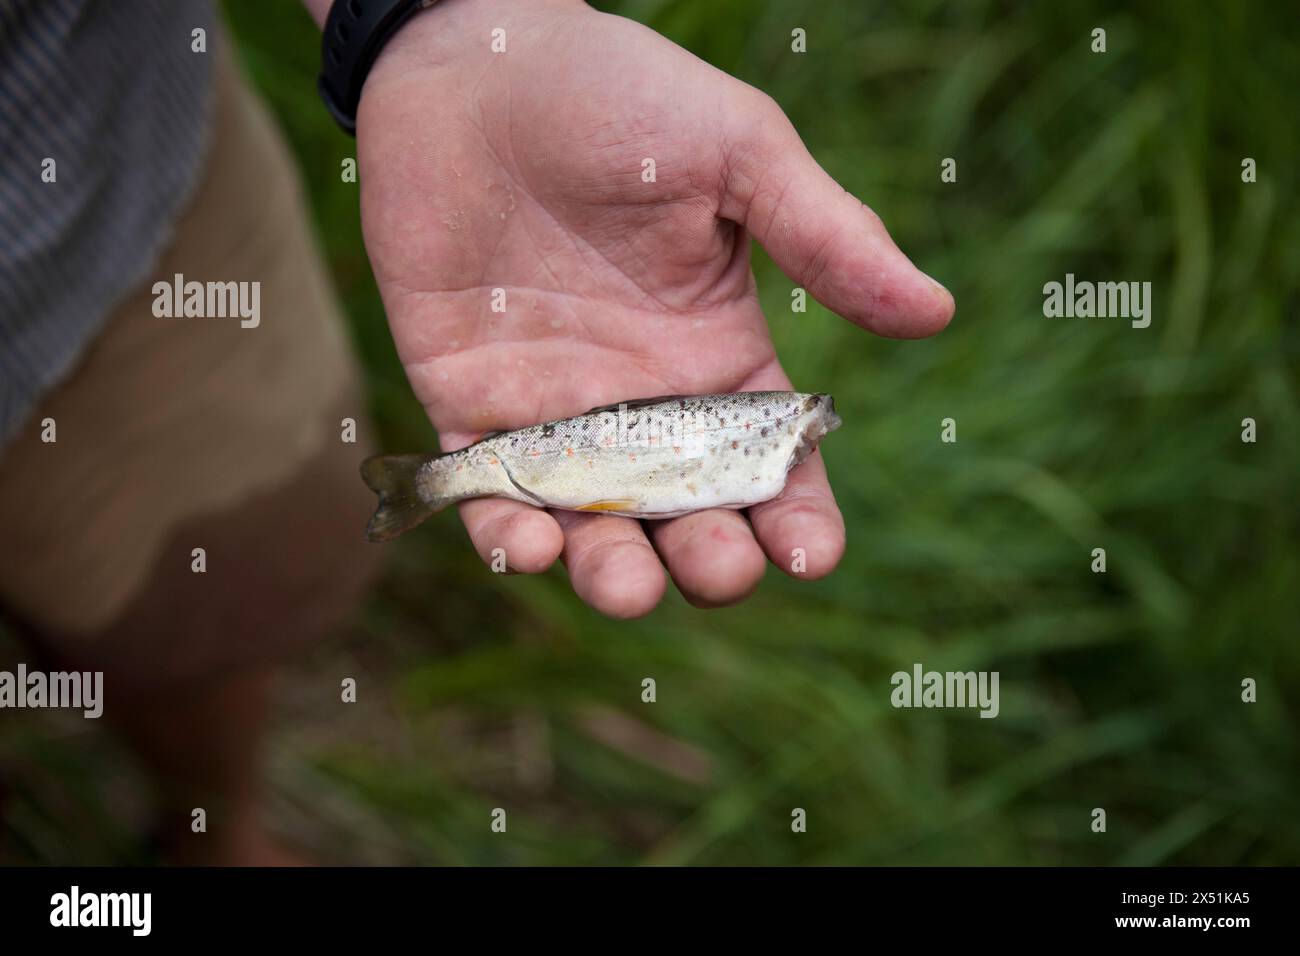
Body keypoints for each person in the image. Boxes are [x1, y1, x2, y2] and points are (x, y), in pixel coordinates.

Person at [0, 0, 952, 864]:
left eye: (787, 421)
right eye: (786, 419)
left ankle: (213, 833)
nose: (804, 420)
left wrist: (441, 24)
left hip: (111, 181)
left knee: (209, 597)